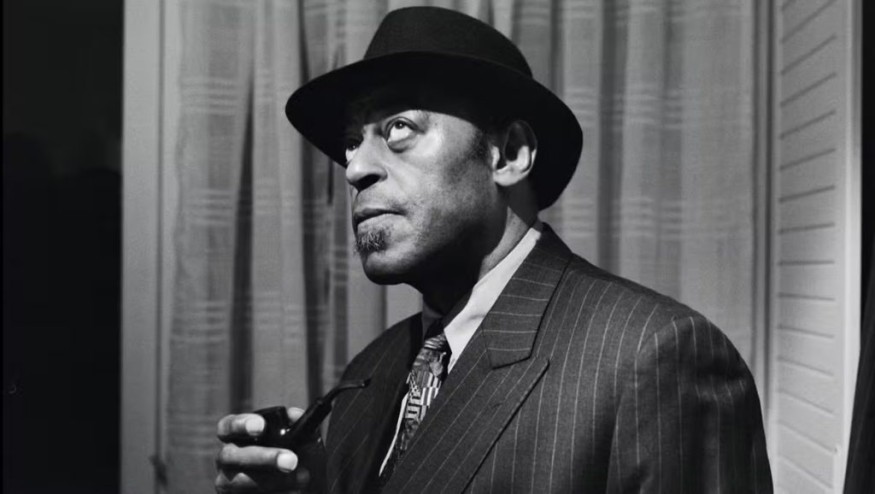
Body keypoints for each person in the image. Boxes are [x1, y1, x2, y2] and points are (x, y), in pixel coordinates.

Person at [215, 7, 772, 493]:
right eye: (351, 142)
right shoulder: (371, 371)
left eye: (400, 127)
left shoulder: (653, 357)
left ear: (507, 154)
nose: (355, 167)